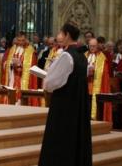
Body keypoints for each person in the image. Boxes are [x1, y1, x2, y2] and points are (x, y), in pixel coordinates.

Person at [39, 22, 92, 166]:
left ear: (67, 35)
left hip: (64, 106)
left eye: (60, 33)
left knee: (61, 139)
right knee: (74, 139)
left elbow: (50, 83)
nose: (58, 36)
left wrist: (49, 75)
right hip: (77, 105)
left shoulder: (66, 56)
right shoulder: (82, 56)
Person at [1, 32, 38, 105]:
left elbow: (33, 66)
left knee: (20, 100)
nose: (21, 42)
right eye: (19, 40)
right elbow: (6, 63)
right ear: (16, 40)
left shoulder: (30, 50)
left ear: (26, 40)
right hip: (13, 76)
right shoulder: (12, 49)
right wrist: (12, 65)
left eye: (23, 40)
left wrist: (22, 66)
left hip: (23, 78)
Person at [85, 38, 112, 122]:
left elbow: (105, 74)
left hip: (96, 86)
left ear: (97, 46)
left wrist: (94, 70)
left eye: (94, 46)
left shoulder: (102, 57)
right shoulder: (84, 55)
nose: (92, 48)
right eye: (90, 46)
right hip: (85, 85)